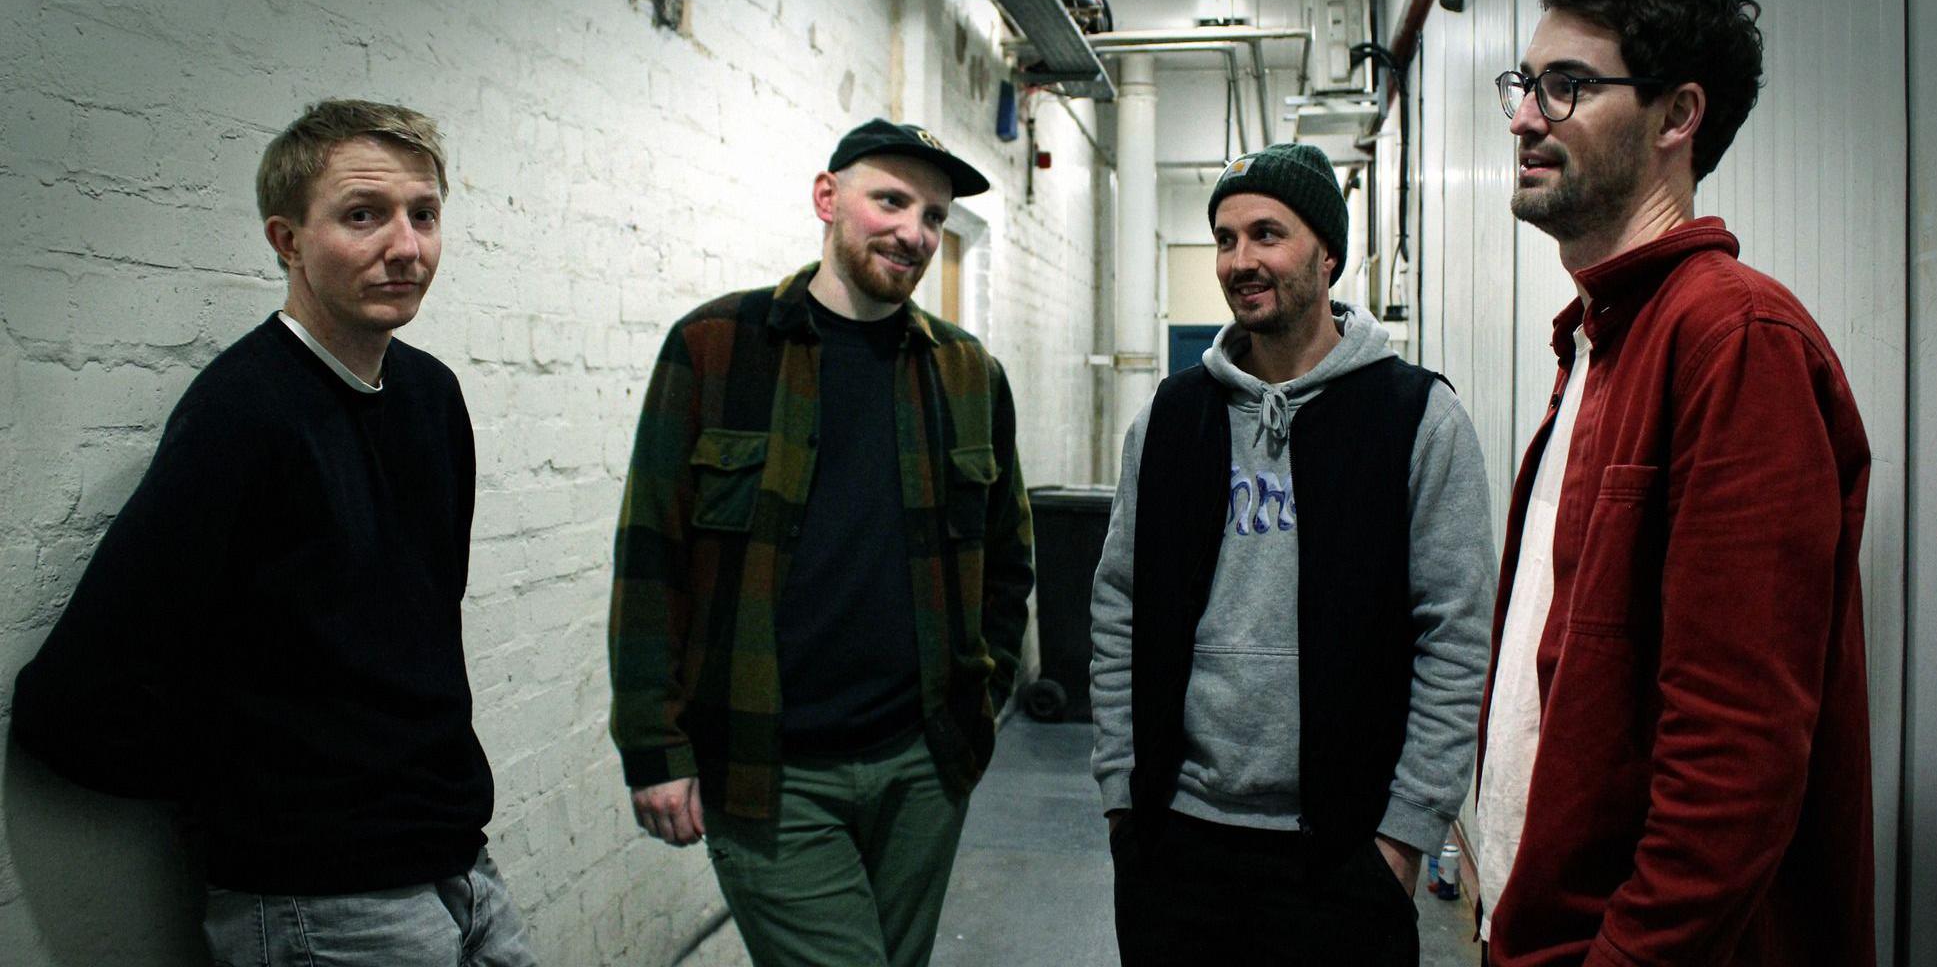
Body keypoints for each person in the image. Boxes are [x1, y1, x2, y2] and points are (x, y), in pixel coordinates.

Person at [11, 99, 535, 965]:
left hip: (459, 868)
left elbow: (418, 631)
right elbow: (69, 704)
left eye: (424, 214)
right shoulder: (244, 413)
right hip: (322, 907)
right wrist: (262, 791)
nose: (405, 247)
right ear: (286, 240)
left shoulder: (431, 397)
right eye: (363, 215)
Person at [1477, 0, 1874, 966]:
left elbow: (1732, 764)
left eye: (1564, 85)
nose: (1524, 117)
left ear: (1675, 116)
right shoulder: (1604, 338)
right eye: (1520, 86)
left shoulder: (1733, 340)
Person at [609, 118, 1034, 967]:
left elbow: (1007, 560)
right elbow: (651, 556)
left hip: (923, 767)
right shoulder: (716, 347)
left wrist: (975, 712)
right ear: (827, 198)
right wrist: (653, 746)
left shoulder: (966, 373)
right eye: (891, 200)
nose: (913, 232)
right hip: (770, 773)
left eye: (934, 216)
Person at [1089, 142, 1497, 966]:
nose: (1242, 261)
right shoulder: (1171, 419)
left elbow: (1455, 635)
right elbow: (1117, 603)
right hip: (1178, 842)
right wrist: (1123, 795)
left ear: (1329, 254)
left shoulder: (1416, 418)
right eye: (1226, 239)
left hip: (1344, 851)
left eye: (1267, 234)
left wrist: (1405, 835)